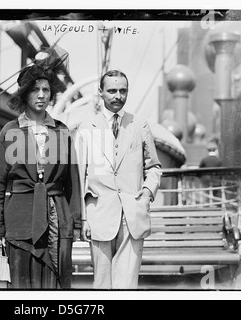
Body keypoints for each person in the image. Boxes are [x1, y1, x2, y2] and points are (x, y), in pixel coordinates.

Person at [0, 48, 81, 289]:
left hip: (55, 220)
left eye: (46, 90)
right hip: (19, 221)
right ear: (24, 93)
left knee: (54, 284)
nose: (41, 95)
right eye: (35, 90)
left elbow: (72, 183)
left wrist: (77, 223)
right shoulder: (9, 132)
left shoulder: (61, 132)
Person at [75, 70, 162, 289]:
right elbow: (78, 176)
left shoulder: (139, 124)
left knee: (127, 286)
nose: (117, 96)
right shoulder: (87, 128)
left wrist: (148, 191)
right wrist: (83, 219)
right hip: (100, 216)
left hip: (132, 216)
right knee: (102, 285)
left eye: (123, 91)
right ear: (101, 93)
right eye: (112, 91)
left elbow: (154, 167)